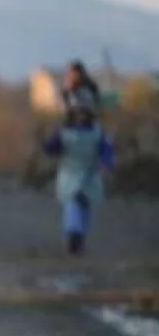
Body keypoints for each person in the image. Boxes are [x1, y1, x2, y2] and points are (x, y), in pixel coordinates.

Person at [42, 99, 115, 255]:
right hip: (71, 173)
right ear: (73, 115)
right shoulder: (64, 132)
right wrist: (47, 145)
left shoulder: (97, 132)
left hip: (89, 173)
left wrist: (106, 163)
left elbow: (106, 150)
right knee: (73, 205)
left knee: (84, 206)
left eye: (84, 113)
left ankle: (78, 237)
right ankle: (73, 236)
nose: (81, 117)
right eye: (78, 113)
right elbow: (51, 148)